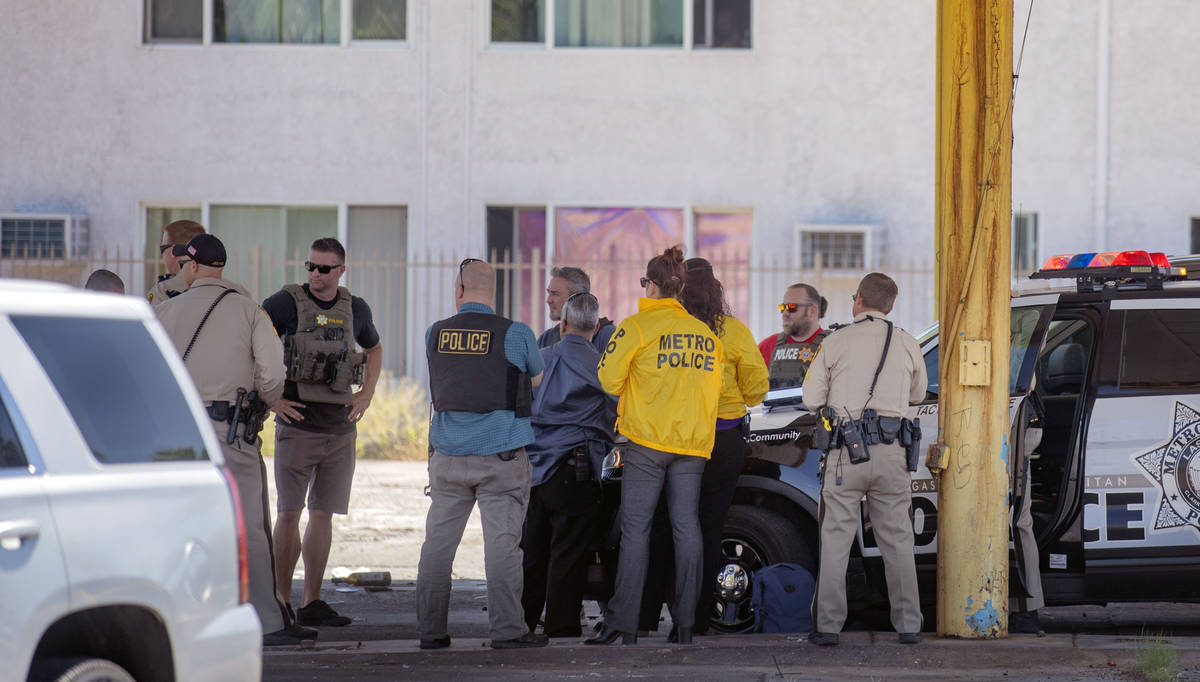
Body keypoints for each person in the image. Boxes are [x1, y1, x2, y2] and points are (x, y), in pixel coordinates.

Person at [155, 233, 316, 647]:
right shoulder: (248, 310)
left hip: (179, 438)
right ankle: (267, 621)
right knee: (250, 527)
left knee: (182, 529)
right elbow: (271, 372)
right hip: (232, 432)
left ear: (191, 267)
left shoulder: (164, 310)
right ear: (221, 267)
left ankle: (182, 622)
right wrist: (269, 398)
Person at [586, 245, 723, 646]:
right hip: (693, 444)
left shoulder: (636, 326)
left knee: (636, 531)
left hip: (647, 441)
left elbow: (608, 380)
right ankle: (685, 624)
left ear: (651, 285)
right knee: (687, 529)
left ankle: (623, 624)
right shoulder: (705, 334)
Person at [417, 257, 549, 650]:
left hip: (447, 457)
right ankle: (508, 632)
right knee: (502, 546)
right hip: (500, 457)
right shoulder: (516, 333)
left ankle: (431, 632)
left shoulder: (434, 333)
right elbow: (538, 378)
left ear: (459, 291)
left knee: (438, 546)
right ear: (494, 294)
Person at [262, 237, 383, 629]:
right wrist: (273, 399)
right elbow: (254, 340)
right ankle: (281, 602)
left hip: (338, 426)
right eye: (310, 266)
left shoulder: (355, 308)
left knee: (323, 513)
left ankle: (311, 600)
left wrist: (366, 393)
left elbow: (375, 347)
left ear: (340, 271)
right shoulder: (285, 303)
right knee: (287, 513)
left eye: (324, 268)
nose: (315, 274)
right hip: (297, 425)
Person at [803, 272, 926, 646]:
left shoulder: (836, 341)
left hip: (846, 453)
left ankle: (827, 627)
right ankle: (908, 626)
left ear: (857, 300)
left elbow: (811, 398)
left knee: (837, 538)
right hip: (892, 454)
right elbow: (918, 394)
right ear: (890, 306)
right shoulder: (905, 342)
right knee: (898, 542)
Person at [521, 292, 617, 638]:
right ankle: (561, 627)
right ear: (595, 328)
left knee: (531, 553)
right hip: (576, 472)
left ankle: (520, 624)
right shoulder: (604, 368)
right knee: (569, 554)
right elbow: (613, 420)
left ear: (562, 324)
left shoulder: (541, 359)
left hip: (533, 472)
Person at [1009, 381, 1046, 635]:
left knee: (1017, 523)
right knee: (1019, 522)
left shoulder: (1010, 340)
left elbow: (1026, 379)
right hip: (1018, 417)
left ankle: (1025, 609)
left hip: (1017, 420)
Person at [758, 283, 829, 388]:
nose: (785, 313)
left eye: (792, 307)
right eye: (783, 308)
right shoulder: (768, 346)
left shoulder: (831, 345)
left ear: (812, 310)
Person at [538, 266, 616, 352]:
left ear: (577, 297)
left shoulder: (607, 335)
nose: (548, 300)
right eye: (549, 293)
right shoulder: (546, 338)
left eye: (555, 294)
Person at [147, 219, 205, 305]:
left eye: (162, 249)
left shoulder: (163, 291)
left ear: (173, 250)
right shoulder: (226, 288)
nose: (162, 255)